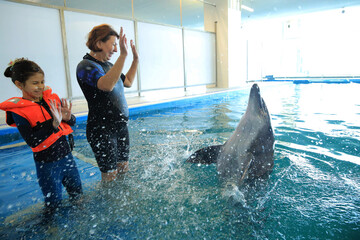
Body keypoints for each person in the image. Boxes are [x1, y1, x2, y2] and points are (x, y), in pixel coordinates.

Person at [0, 58, 83, 217]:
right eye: (35, 83)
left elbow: (71, 123)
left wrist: (68, 117)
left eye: (42, 82)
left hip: (67, 158)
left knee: (78, 195)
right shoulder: (19, 112)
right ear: (19, 85)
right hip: (48, 165)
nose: (40, 86)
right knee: (54, 205)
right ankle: (52, 231)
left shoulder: (51, 100)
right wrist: (52, 125)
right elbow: (32, 141)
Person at [76, 24, 139, 182]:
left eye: (117, 45)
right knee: (110, 177)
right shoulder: (85, 66)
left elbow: (129, 82)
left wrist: (136, 60)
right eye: (113, 44)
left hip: (120, 127)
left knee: (123, 169)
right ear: (99, 44)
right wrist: (123, 56)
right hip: (101, 131)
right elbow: (106, 85)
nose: (116, 50)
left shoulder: (110, 66)